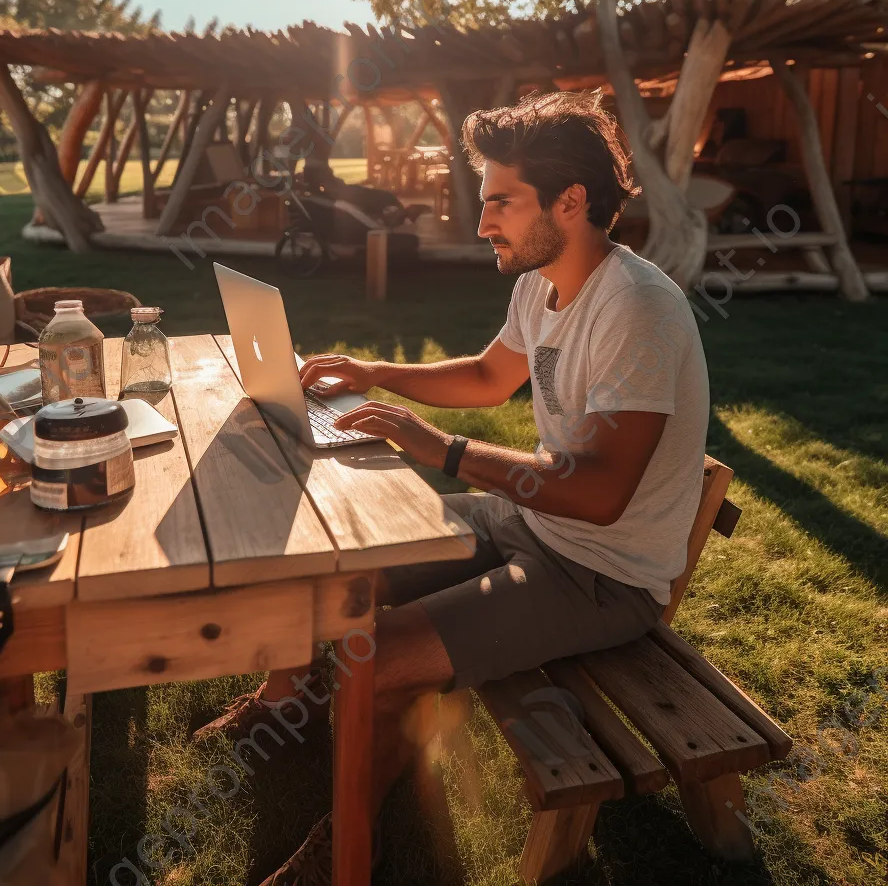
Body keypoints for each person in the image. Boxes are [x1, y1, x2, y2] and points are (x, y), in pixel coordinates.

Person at [194, 91, 710, 885]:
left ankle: (347, 843)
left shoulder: (637, 310)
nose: (482, 225)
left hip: (603, 575)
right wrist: (374, 372)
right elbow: (486, 374)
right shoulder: (543, 284)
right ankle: (283, 705)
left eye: (501, 203)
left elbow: (601, 493)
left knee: (376, 655)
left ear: (570, 202)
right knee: (336, 563)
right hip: (527, 525)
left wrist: (444, 450)